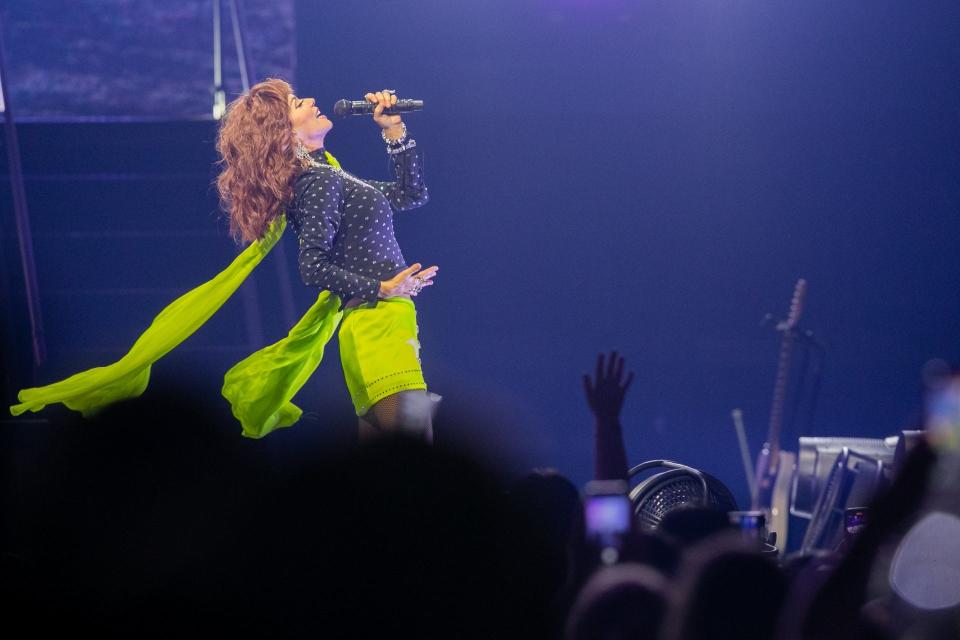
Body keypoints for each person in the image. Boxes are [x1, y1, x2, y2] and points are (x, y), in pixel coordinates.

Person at [216, 78, 440, 441]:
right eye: (296, 103)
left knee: (395, 470)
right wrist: (383, 287)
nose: (310, 100)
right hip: (376, 327)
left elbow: (410, 194)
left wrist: (394, 129)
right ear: (281, 132)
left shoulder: (331, 176)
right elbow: (313, 266)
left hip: (383, 326)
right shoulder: (316, 182)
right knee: (414, 460)